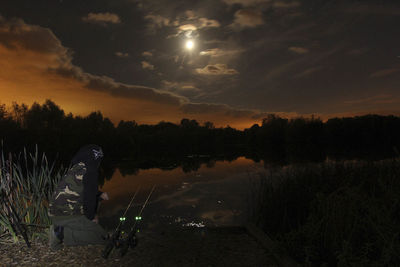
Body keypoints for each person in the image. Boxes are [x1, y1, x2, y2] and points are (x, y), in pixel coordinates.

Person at [48, 144, 109, 250]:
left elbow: (81, 189)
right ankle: (60, 233)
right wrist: (92, 217)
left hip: (55, 214)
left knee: (92, 227)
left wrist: (99, 194)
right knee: (102, 237)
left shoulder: (77, 168)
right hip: (68, 216)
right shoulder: (91, 172)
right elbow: (89, 201)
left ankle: (60, 230)